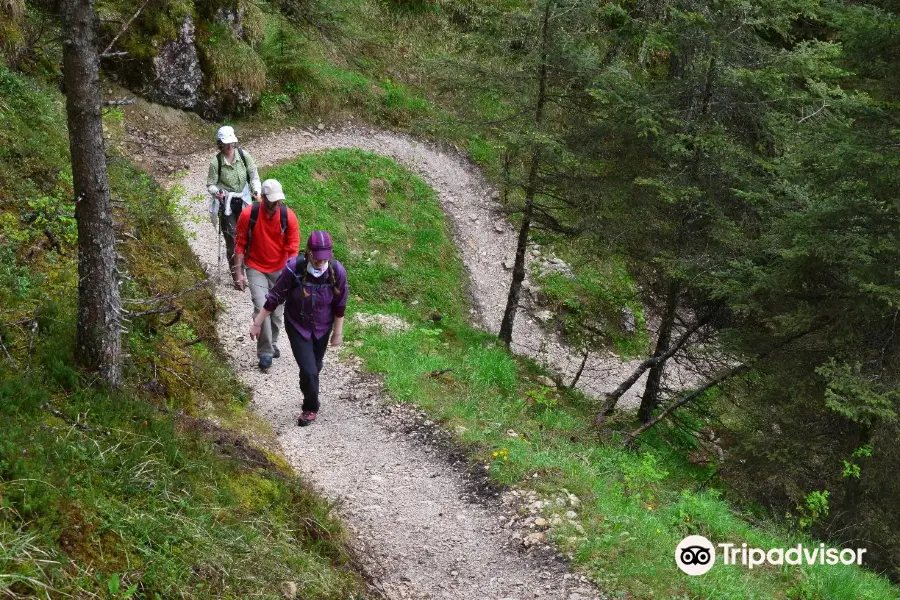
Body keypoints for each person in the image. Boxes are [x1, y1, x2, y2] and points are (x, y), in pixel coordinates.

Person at [250, 231, 348, 426]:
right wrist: (257, 323)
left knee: (314, 367)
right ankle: (310, 407)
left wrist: (337, 332)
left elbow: (340, 305)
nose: (320, 262)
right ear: (309, 252)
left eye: (324, 258)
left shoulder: (337, 272)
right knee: (309, 369)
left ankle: (309, 388)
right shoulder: (294, 268)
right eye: (317, 257)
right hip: (297, 326)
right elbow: (274, 297)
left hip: (322, 327)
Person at [234, 178, 300, 370]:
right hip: (255, 266)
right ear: (262, 197)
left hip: (280, 269)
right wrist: (239, 273)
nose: (276, 205)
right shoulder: (249, 214)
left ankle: (272, 342)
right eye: (272, 201)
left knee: (277, 311)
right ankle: (265, 352)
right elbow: (239, 244)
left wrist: (290, 273)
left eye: (278, 201)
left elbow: (293, 247)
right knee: (262, 306)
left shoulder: (289, 217)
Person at [206, 125, 261, 288]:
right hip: (227, 203)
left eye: (232, 143)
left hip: (244, 200)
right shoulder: (216, 162)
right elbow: (210, 184)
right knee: (232, 239)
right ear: (220, 144)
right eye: (226, 143)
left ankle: (251, 271)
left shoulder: (244, 156)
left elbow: (254, 175)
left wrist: (256, 190)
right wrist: (218, 192)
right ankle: (237, 276)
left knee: (250, 236)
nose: (230, 146)